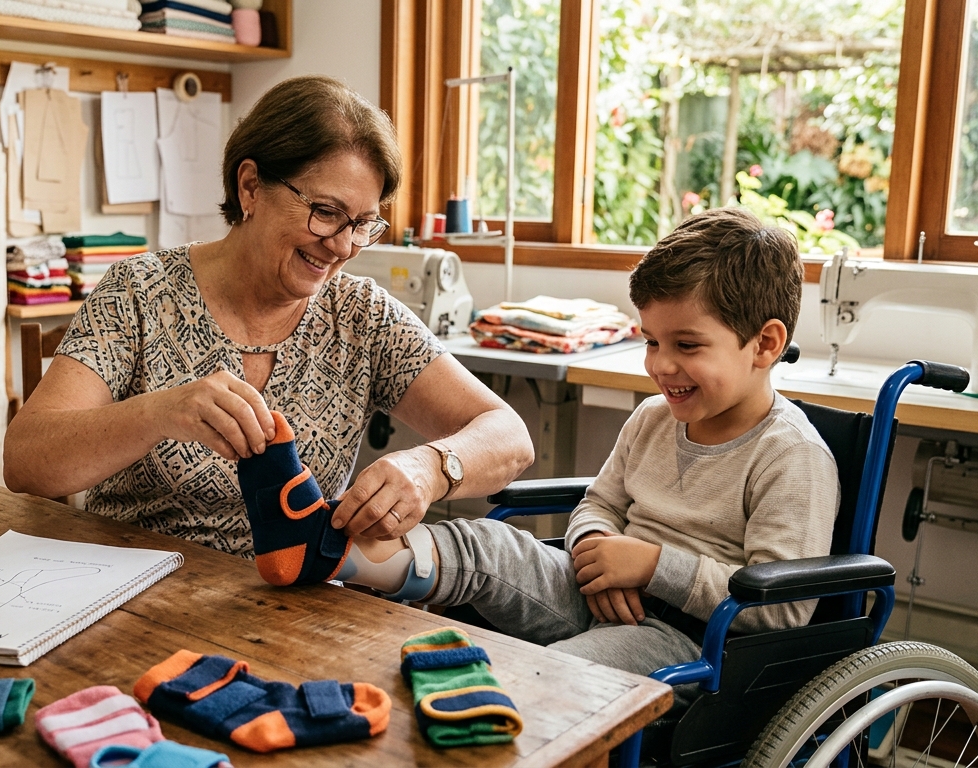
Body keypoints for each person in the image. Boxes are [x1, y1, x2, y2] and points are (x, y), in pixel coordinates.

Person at [250, 207, 839, 680]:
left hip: (688, 638)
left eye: (686, 345)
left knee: (554, 677)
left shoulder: (791, 456)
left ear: (764, 345)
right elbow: (599, 504)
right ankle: (322, 552)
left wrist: (649, 566)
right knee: (485, 543)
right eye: (651, 340)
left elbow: (778, 611)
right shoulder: (654, 419)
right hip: (599, 585)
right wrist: (597, 548)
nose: (660, 365)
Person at [3, 75, 534, 557]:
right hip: (130, 588)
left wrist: (432, 468)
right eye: (326, 212)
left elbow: (510, 437)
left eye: (363, 223)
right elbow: (26, 462)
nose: (343, 245)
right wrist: (160, 413)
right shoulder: (139, 293)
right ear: (251, 186)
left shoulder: (361, 317)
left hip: (293, 601)